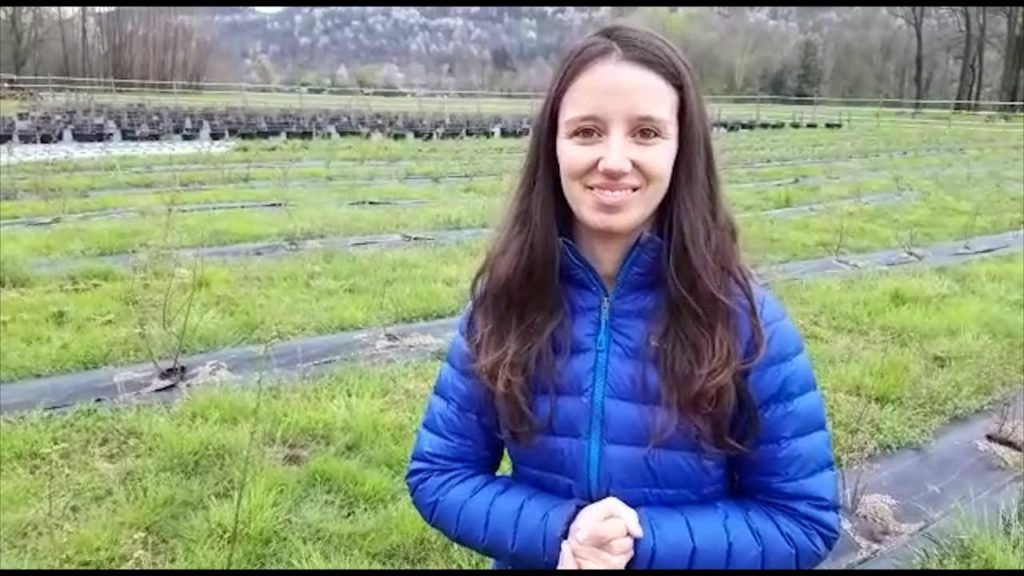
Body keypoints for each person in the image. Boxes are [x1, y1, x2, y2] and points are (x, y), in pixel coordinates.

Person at [405, 24, 841, 570]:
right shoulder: (503, 305)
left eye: (646, 133)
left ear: (682, 150)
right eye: (587, 131)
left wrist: (635, 543)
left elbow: (802, 519)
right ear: (553, 147)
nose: (613, 159)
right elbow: (438, 474)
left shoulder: (747, 323)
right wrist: (562, 532)